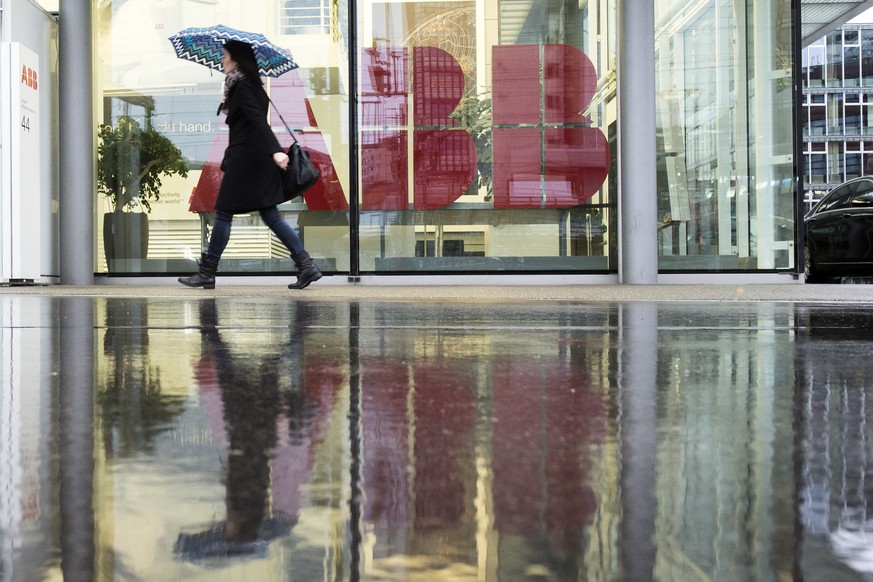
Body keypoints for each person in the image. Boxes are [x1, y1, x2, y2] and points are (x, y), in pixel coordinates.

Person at [179, 39, 321, 290]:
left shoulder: (242, 85)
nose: (221, 60)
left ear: (236, 58)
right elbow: (249, 118)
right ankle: (306, 265)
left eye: (224, 55)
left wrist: (277, 151)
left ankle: (208, 271)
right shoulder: (250, 84)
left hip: (247, 162)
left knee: (223, 212)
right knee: (271, 216)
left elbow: (258, 121)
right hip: (255, 160)